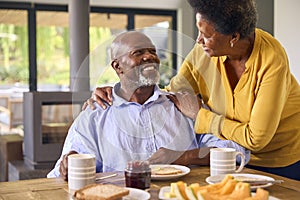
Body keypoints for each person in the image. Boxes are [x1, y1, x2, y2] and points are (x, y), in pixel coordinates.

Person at [85, 0, 300, 180]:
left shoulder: (272, 60)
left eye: (205, 35)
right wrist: (119, 89)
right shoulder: (203, 52)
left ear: (233, 37)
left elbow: (257, 138)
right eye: (198, 31)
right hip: (230, 159)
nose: (198, 41)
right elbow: (170, 93)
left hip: (278, 158)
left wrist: (200, 117)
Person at [47, 31, 249, 180]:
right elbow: (63, 170)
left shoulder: (182, 106)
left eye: (153, 52)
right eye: (138, 52)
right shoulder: (95, 114)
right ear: (117, 66)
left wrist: (184, 157)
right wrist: (69, 163)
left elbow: (234, 152)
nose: (150, 57)